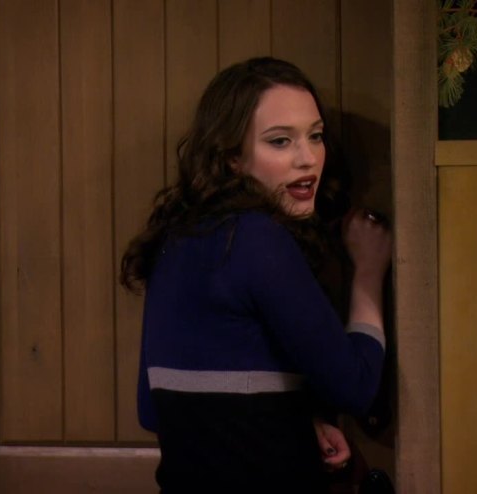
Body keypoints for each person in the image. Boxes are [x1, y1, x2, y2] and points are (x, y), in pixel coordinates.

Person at [120, 57, 391, 493]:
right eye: (280, 141)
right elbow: (356, 388)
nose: (308, 159)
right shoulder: (256, 237)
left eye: (316, 135)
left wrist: (290, 417)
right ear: (232, 157)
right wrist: (369, 272)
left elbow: (151, 409)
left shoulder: (176, 238)